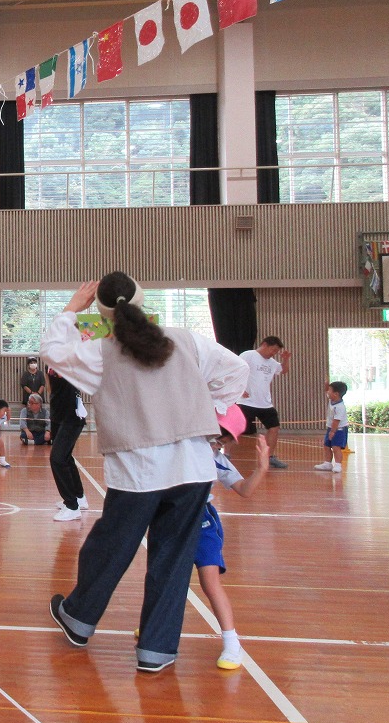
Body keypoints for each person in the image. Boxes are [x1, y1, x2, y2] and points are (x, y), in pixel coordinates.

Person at [45, 273, 248, 674]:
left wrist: (72, 308)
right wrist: (209, 410)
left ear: (101, 311)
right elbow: (237, 370)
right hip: (193, 466)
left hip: (137, 469)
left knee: (110, 547)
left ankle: (80, 618)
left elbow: (52, 351)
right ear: (143, 300)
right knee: (172, 560)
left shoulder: (101, 351)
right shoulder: (186, 340)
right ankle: (156, 650)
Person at [198, 429, 270, 669]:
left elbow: (245, 490)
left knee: (210, 582)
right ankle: (153, 625)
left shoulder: (218, 459)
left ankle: (232, 642)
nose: (219, 447)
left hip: (203, 524)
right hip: (173, 519)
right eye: (217, 442)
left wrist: (261, 469)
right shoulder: (184, 449)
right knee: (165, 575)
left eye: (224, 444)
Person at [237, 337, 291, 469]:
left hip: (265, 403)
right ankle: (224, 454)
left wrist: (285, 359)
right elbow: (235, 370)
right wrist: (239, 389)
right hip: (246, 402)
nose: (273, 353)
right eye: (273, 350)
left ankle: (269, 456)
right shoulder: (248, 355)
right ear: (264, 345)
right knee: (235, 428)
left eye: (276, 352)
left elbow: (283, 370)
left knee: (274, 428)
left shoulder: (272, 363)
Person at [48, 366, 88, 522]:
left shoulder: (72, 356)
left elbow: (97, 339)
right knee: (65, 457)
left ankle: (72, 506)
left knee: (57, 459)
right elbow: (52, 387)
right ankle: (79, 497)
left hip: (71, 416)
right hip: (58, 415)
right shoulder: (50, 359)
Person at [314, 381, 349, 472]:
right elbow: (326, 390)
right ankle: (327, 463)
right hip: (331, 428)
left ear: (336, 394)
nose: (327, 392)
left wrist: (333, 432)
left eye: (330, 390)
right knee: (326, 445)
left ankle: (338, 465)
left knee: (336, 447)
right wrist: (326, 383)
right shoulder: (332, 400)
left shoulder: (340, 407)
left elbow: (336, 421)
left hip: (339, 429)